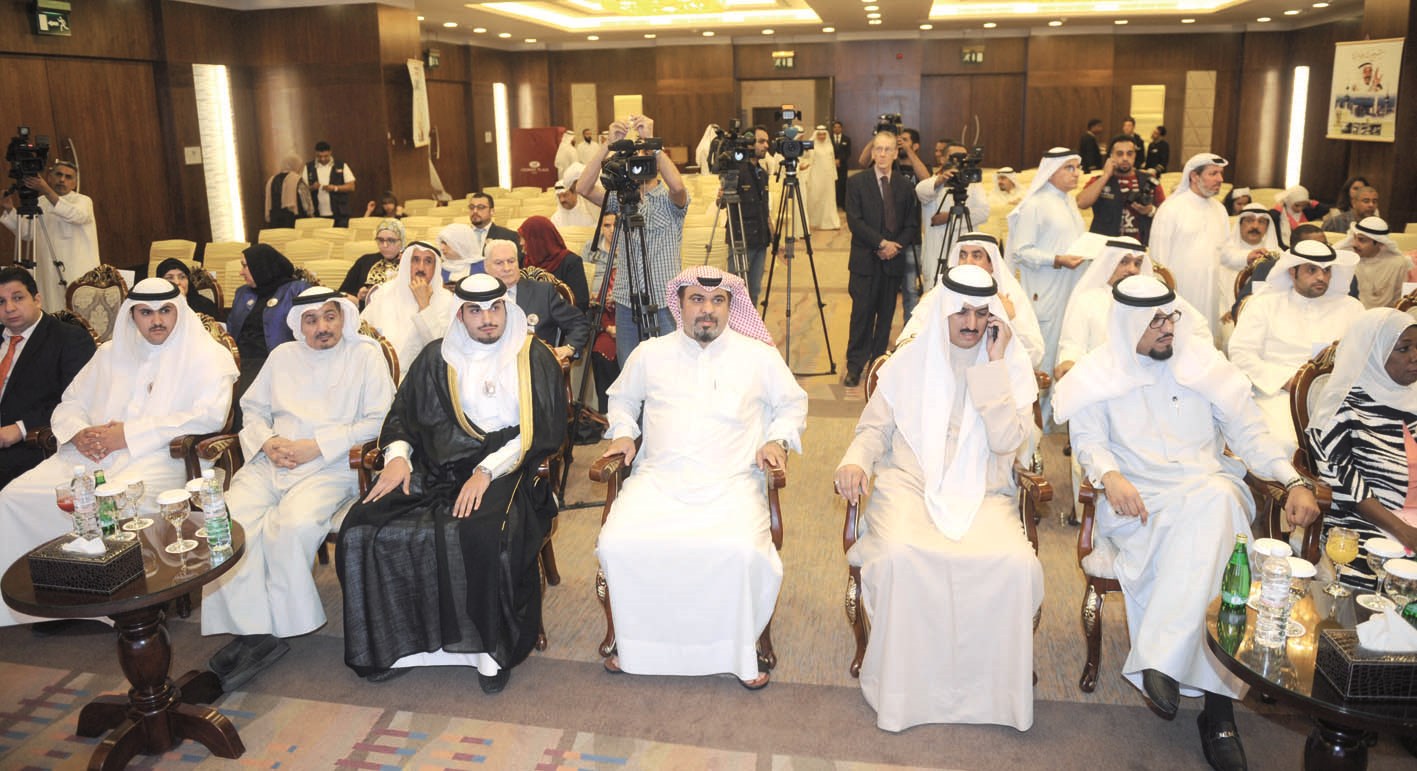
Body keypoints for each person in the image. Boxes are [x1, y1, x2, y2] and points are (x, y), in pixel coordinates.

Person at [1054, 274, 1318, 771]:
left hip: (1205, 489)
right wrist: (1110, 476)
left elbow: (1251, 434)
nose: (1167, 327)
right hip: (1140, 506)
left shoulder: (1204, 366)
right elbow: (1088, 442)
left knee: (1217, 503)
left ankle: (1167, 662)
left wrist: (1293, 480)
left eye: (1170, 316)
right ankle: (1218, 716)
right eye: (1153, 320)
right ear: (1127, 323)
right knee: (1218, 532)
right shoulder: (1096, 375)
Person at [835, 264, 1043, 731]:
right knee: (900, 556)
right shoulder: (908, 363)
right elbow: (872, 431)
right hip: (910, 486)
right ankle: (906, 693)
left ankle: (988, 698)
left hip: (984, 492)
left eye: (981, 314)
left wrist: (993, 368)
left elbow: (1008, 442)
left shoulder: (1008, 368)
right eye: (961, 312)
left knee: (1014, 564)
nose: (971, 324)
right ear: (944, 310)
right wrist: (854, 461)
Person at [337, 274, 566, 692]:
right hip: (437, 463)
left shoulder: (533, 356)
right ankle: (402, 647)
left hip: (510, 467)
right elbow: (403, 415)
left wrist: (486, 471)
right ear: (460, 314)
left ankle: (489, 654)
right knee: (363, 527)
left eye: (495, 308)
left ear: (507, 308)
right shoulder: (434, 357)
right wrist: (397, 457)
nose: (487, 319)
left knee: (482, 534)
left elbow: (540, 432)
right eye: (475, 310)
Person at [596, 266, 807, 689]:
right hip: (659, 481)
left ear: (731, 306)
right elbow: (621, 398)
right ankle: (638, 646)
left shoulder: (759, 356)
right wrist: (623, 432)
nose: (707, 310)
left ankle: (738, 651)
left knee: (741, 551)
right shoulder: (650, 353)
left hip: (733, 482)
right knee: (617, 542)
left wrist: (777, 441)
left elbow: (791, 404)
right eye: (697, 299)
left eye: (717, 301)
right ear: (679, 305)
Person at [0, 278, 237, 628]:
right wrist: (79, 433)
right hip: (90, 454)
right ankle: (47, 603)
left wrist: (126, 435)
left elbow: (209, 416)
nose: (157, 320)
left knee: (115, 500)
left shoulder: (208, 355)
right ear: (132, 315)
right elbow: (70, 403)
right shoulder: (109, 354)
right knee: (16, 496)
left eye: (165, 311)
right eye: (146, 313)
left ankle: (124, 608)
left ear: (179, 311)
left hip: (162, 456)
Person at [201, 288, 393, 689]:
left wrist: (317, 446)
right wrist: (268, 441)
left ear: (343, 318)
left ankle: (277, 628)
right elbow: (252, 411)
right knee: (228, 524)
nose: (322, 327)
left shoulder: (366, 355)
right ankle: (252, 630)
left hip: (331, 467)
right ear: (298, 325)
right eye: (311, 320)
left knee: (289, 527)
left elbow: (381, 420)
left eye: (330, 317)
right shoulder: (282, 357)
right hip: (273, 462)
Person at [1309, 308, 1417, 590]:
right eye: (1404, 349)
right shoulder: (1342, 407)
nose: (1415, 356)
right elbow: (1345, 483)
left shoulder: (1412, 400)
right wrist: (1404, 531)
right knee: (1396, 587)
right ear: (1374, 352)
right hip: (1366, 523)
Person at [1228, 240, 1363, 456]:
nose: (1321, 277)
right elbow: (1241, 353)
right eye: (1312, 270)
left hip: (1338, 395)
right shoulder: (1264, 304)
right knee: (1287, 443)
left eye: (1327, 270)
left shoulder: (1351, 308)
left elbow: (1364, 355)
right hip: (1277, 393)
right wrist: (1286, 381)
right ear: (1292, 272)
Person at [575, 114, 690, 363]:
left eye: (646, 158)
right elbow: (582, 188)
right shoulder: (621, 200)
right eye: (635, 160)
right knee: (629, 368)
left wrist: (653, 144)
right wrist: (607, 145)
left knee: (668, 369)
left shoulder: (669, 200)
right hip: (626, 300)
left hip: (663, 301)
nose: (640, 164)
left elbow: (678, 187)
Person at [1004, 147, 1087, 421]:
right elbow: (1021, 251)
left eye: (1077, 168)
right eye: (1069, 168)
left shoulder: (1068, 202)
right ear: (1051, 171)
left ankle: (1055, 412)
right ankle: (1034, 418)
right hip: (1045, 290)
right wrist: (1057, 259)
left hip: (1070, 288)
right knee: (1045, 350)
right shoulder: (1035, 205)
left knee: (1065, 346)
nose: (1076, 174)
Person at [0, 266, 96, 490]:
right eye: (1, 302)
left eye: (18, 298)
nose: (9, 308)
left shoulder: (69, 339)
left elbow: (78, 401)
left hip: (30, 445)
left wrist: (20, 428)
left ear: (37, 299)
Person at [843, 132, 922, 387]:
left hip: (893, 261)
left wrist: (894, 247)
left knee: (886, 317)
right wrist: (880, 243)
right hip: (865, 261)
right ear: (872, 152)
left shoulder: (905, 186)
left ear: (895, 153)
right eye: (878, 149)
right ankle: (855, 365)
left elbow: (911, 224)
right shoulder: (857, 182)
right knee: (861, 315)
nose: (883, 154)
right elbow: (855, 221)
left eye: (888, 149)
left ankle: (877, 366)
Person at [903, 233, 1044, 369]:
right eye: (963, 255)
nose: (968, 262)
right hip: (944, 372)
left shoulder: (1011, 297)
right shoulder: (939, 294)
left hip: (988, 374)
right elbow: (907, 343)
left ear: (992, 264)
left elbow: (1034, 355)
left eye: (976, 256)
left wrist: (1011, 320)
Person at [1149, 153, 1231, 341]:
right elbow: (1157, 263)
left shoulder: (1220, 209)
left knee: (1206, 341)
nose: (1220, 179)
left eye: (1220, 173)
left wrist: (1247, 257)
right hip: (1180, 294)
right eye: (1213, 173)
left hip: (1210, 292)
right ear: (1194, 176)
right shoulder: (1171, 209)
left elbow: (1225, 253)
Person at [0, 160, 100, 313]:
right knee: (52, 310)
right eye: (58, 175)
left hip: (77, 271)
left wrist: (47, 190)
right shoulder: (40, 202)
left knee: (79, 313)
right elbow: (27, 233)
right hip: (48, 271)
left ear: (74, 183)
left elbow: (75, 215)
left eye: (68, 177)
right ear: (49, 177)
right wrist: (9, 209)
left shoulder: (83, 201)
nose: (62, 180)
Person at [483, 238, 588, 365]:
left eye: (511, 261)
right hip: (489, 364)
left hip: (533, 366)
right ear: (486, 266)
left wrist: (569, 348)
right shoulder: (477, 295)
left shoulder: (543, 292)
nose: (507, 268)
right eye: (499, 263)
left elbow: (578, 322)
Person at [360, 241, 453, 381]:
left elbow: (438, 349)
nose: (421, 267)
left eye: (428, 261)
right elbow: (362, 330)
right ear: (406, 264)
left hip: (418, 381)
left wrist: (424, 305)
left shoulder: (445, 299)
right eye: (415, 260)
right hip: (377, 375)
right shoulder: (384, 292)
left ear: (435, 267)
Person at [226, 244, 310, 397]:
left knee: (244, 395)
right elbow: (231, 330)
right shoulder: (243, 293)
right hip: (238, 362)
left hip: (277, 363)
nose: (241, 272)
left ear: (261, 266)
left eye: (245, 266)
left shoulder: (296, 290)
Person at [915, 140, 990, 290]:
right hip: (937, 255)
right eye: (955, 157)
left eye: (964, 157)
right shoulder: (933, 183)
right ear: (943, 159)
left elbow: (983, 213)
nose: (961, 161)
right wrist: (940, 181)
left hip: (965, 255)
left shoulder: (973, 184)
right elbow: (920, 192)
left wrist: (950, 217)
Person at [718, 125, 773, 308]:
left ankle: (751, 325)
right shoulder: (737, 171)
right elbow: (721, 203)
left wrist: (774, 238)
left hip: (761, 240)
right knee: (736, 291)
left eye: (767, 141)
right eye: (761, 141)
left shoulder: (762, 174)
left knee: (754, 290)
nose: (766, 145)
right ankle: (734, 325)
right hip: (741, 239)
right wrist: (723, 194)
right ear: (749, 143)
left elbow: (765, 209)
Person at [1076, 135, 1165, 245]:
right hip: (1104, 245)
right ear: (1111, 156)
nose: (1125, 158)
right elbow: (1081, 203)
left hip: (1139, 246)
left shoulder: (1149, 181)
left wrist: (1150, 211)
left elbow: (1166, 215)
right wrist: (1106, 176)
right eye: (1119, 154)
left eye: (1129, 154)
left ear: (1135, 155)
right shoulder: (1099, 180)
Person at [1218, 204, 1279, 320]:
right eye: (1249, 220)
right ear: (1240, 224)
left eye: (1261, 222)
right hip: (1227, 317)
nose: (1255, 226)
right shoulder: (1224, 256)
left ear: (1267, 227)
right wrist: (1226, 312)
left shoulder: (1278, 257)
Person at [519, 215, 590, 310]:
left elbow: (580, 303)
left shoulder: (570, 262)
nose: (521, 242)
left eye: (524, 238)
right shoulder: (524, 261)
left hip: (560, 316)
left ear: (538, 240)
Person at [1337, 216, 1409, 309]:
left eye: (1361, 240)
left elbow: (1400, 300)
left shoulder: (1397, 264)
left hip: (1385, 315)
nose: (1354, 244)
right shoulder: (1348, 258)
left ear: (1380, 243)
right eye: (1355, 238)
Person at [338, 218, 404, 305]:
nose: (385, 245)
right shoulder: (365, 261)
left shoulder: (410, 262)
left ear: (401, 241)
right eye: (380, 240)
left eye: (391, 240)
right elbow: (343, 293)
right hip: (365, 310)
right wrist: (358, 296)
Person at [307, 141, 356, 227]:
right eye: (319, 156)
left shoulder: (341, 165)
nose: (323, 159)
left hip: (340, 212)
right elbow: (303, 190)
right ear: (315, 154)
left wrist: (335, 188)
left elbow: (351, 186)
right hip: (317, 213)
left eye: (325, 156)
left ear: (330, 152)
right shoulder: (308, 167)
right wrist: (312, 187)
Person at [802, 125, 840, 231]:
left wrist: (834, 175)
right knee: (816, 198)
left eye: (824, 134)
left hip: (828, 177)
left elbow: (832, 161)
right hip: (816, 176)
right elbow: (805, 157)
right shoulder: (812, 145)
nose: (822, 137)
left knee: (829, 200)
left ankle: (831, 223)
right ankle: (815, 222)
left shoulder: (829, 146)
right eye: (819, 135)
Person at [155, 258, 220, 318]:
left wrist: (183, 302)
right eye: (170, 278)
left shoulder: (205, 305)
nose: (177, 282)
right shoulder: (154, 306)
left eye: (182, 277)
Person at [467, 192, 523, 261]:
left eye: (480, 207)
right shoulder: (461, 236)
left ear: (492, 211)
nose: (475, 211)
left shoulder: (509, 236)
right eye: (471, 207)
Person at [264, 154, 313, 228]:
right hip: (295, 221)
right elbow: (306, 203)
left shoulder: (271, 180)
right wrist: (311, 215)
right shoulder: (297, 180)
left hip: (276, 222)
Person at [831, 120, 852, 208]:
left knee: (843, 184)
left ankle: (843, 204)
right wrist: (833, 161)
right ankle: (834, 203)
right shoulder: (829, 139)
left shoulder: (846, 139)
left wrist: (839, 160)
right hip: (831, 166)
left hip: (842, 166)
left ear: (841, 128)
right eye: (835, 127)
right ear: (833, 128)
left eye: (838, 127)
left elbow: (848, 153)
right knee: (833, 185)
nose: (837, 129)